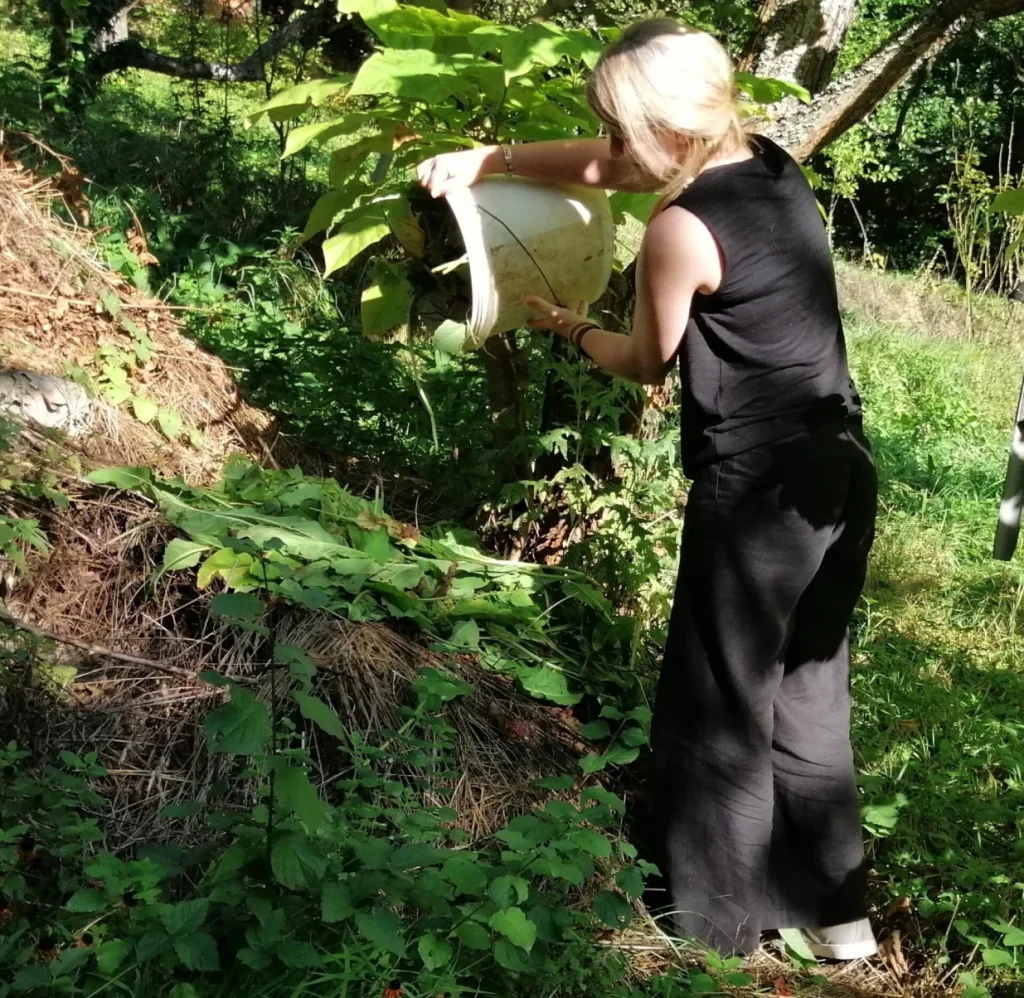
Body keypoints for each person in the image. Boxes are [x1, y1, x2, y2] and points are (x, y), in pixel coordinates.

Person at [417, 19, 878, 962]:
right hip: (838, 470)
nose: (613, 148)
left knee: (717, 703)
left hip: (757, 496)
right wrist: (490, 158)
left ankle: (713, 937)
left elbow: (643, 362)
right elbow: (610, 169)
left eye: (623, 129)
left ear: (669, 128)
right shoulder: (767, 164)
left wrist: (564, 326)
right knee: (806, 691)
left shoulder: (680, 228)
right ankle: (841, 921)